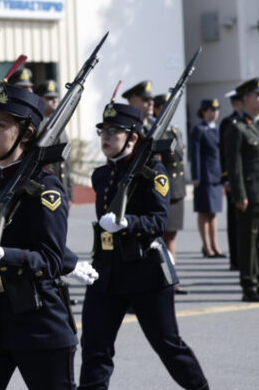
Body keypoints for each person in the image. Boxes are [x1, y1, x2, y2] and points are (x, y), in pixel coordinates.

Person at [79, 100, 208, 389]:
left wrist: (129, 223)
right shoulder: (101, 175)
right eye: (103, 131)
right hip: (106, 272)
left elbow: (159, 221)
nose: (106, 137)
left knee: (167, 345)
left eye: (114, 131)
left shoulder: (153, 171)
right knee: (95, 346)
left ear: (133, 137)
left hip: (145, 272)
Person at [0, 83, 80, 389]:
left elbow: (50, 259)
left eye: (1, 125)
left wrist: (4, 256)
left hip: (36, 320)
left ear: (26, 133)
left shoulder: (46, 189)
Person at [225, 77, 259, 302]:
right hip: (249, 193)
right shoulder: (236, 127)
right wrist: (239, 194)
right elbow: (234, 164)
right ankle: (248, 285)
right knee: (248, 240)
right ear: (246, 98)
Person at [152, 92, 188, 293]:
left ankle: (172, 278)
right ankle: (163, 279)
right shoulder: (156, 130)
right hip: (164, 190)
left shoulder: (174, 130)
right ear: (157, 109)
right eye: (165, 106)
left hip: (178, 189)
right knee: (161, 237)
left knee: (172, 236)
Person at [188, 99, 223, 258]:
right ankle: (206, 246)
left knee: (214, 212)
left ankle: (215, 245)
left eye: (215, 110)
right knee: (204, 212)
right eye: (209, 110)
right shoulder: (199, 129)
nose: (213, 113)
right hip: (204, 176)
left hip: (216, 176)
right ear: (203, 112)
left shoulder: (218, 129)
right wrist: (195, 176)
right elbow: (194, 155)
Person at [219, 90, 244, 271]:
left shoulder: (248, 122)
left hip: (247, 179)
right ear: (236, 104)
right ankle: (236, 259)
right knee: (234, 222)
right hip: (233, 179)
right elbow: (225, 154)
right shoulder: (229, 123)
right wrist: (226, 177)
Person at [36, 80, 73, 201]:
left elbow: (66, 164)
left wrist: (68, 192)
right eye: (49, 98)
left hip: (60, 188)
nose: (54, 100)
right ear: (40, 99)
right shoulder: (37, 125)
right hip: (44, 188)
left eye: (56, 97)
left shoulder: (59, 124)